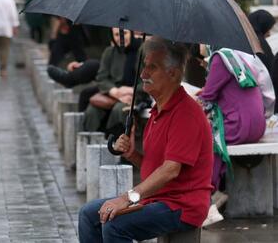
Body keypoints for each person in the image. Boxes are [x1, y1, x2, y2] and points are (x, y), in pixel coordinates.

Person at [78, 37, 213, 242]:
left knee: (115, 225)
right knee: (89, 214)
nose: (143, 74)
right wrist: (132, 155)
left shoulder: (186, 113)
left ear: (173, 73)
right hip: (159, 198)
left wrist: (126, 198)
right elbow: (154, 166)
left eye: (152, 67)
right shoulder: (158, 110)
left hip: (182, 205)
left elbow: (171, 169)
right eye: (144, 66)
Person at [197, 46, 266, 224]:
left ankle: (208, 202)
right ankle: (218, 192)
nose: (198, 46)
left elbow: (209, 96)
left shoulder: (219, 59)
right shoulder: (234, 57)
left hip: (239, 125)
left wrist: (195, 99)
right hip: (256, 126)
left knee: (204, 142)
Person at [83, 28, 144, 136]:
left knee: (120, 110)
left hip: (135, 96)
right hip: (112, 94)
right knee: (92, 111)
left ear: (131, 33)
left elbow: (147, 83)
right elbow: (101, 78)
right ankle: (91, 146)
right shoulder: (109, 52)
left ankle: (113, 146)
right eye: (116, 34)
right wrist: (115, 92)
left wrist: (130, 90)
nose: (121, 37)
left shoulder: (142, 53)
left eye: (124, 33)